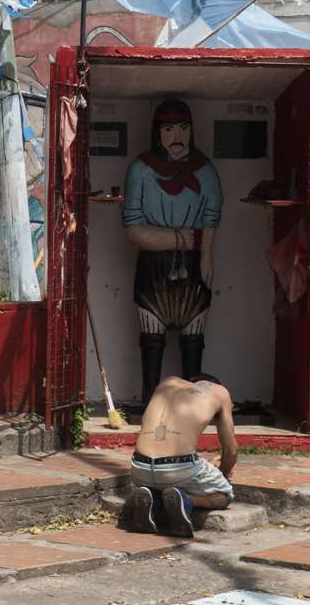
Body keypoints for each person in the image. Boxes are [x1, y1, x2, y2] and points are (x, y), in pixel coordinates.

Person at [122, 98, 223, 404]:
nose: (177, 136)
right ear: (157, 132)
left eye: (183, 128)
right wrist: (186, 238)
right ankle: (151, 401)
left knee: (194, 338)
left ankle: (193, 406)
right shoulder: (140, 170)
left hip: (194, 269)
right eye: (168, 129)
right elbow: (133, 229)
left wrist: (204, 252)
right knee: (151, 338)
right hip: (152, 269)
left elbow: (212, 215)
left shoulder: (204, 171)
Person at [126, 374, 237, 538]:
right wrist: (223, 473)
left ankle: (154, 501)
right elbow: (231, 450)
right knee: (225, 495)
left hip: (139, 467)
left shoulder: (167, 382)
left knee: (170, 478)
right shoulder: (220, 392)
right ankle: (185, 501)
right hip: (178, 468)